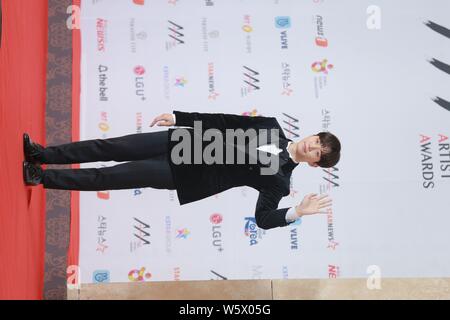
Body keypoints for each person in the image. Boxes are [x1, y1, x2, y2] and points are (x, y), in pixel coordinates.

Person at [23, 110, 341, 230]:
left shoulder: (280, 181)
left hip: (182, 175)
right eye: (316, 141)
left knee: (109, 176)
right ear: (312, 134)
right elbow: (225, 121)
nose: (311, 147)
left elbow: (262, 218)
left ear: (314, 163)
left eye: (317, 153)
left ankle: (43, 177)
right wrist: (180, 117)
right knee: (110, 147)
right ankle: (43, 153)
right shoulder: (271, 126)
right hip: (180, 140)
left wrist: (296, 212)